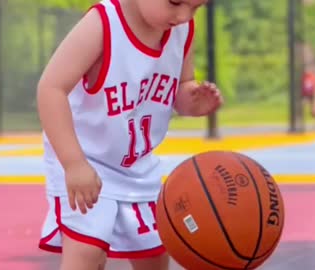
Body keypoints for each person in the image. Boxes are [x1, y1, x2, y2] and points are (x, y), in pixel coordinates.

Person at [36, 0, 223, 270]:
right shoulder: (103, 24)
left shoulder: (181, 30)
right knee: (88, 250)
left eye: (196, 7)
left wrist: (193, 101)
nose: (183, 15)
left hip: (136, 165)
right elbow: (50, 88)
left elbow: (180, 87)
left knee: (156, 253)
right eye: (175, 2)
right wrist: (73, 163)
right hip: (85, 156)